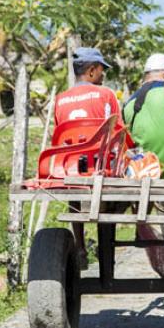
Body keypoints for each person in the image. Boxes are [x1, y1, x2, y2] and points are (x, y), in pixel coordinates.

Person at [54, 46, 122, 268]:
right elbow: (117, 131)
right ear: (92, 70)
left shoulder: (60, 99)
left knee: (74, 183)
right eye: (102, 70)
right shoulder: (106, 94)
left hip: (71, 167)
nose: (103, 75)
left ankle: (80, 246)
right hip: (100, 167)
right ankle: (106, 248)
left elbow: (59, 136)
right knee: (110, 193)